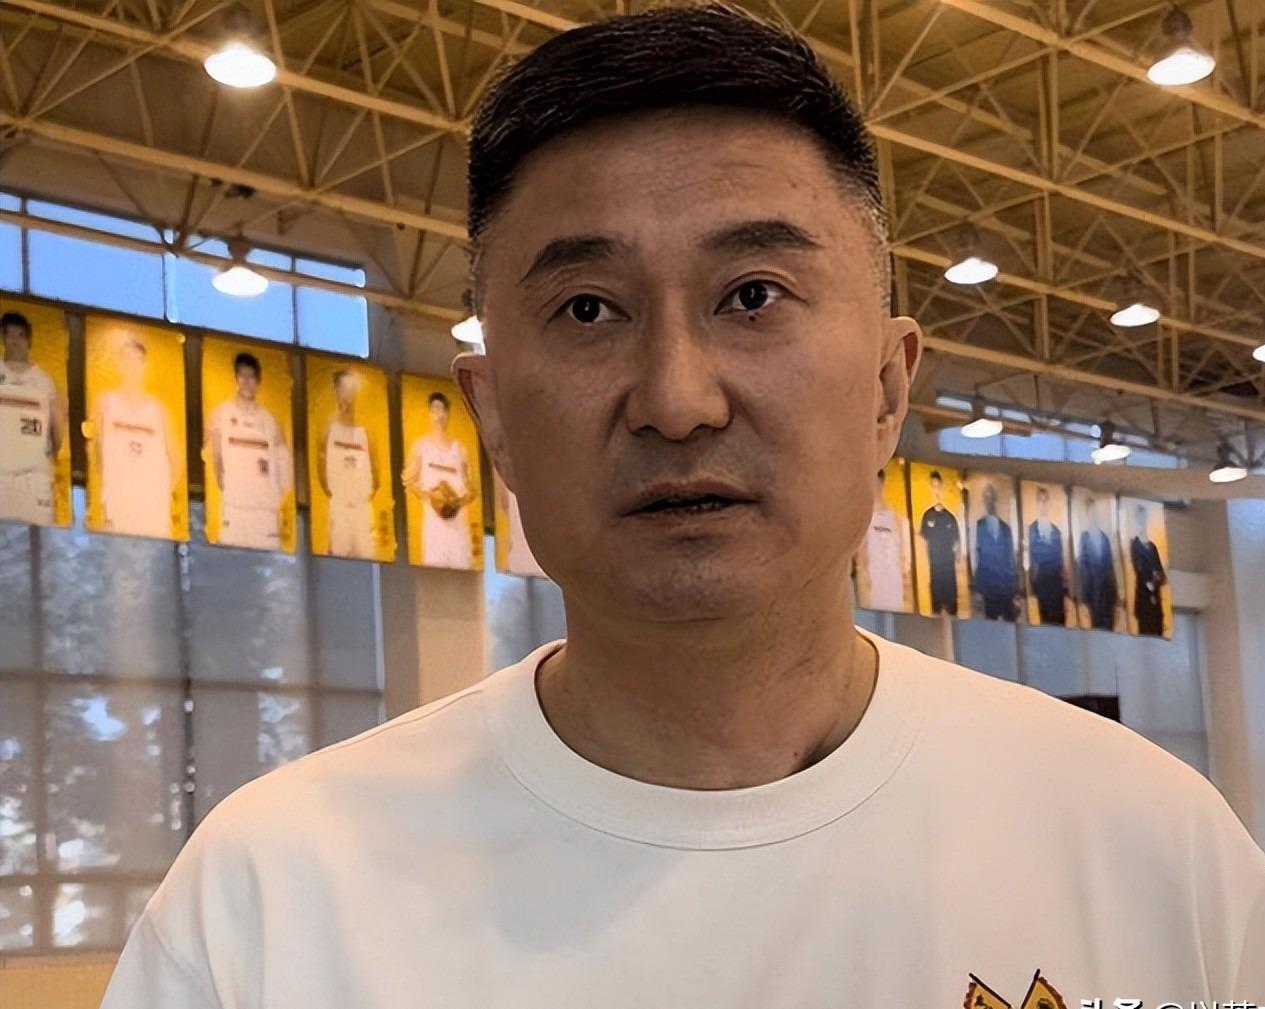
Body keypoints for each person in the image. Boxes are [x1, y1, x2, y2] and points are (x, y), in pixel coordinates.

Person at [100, 8, 1265, 1009]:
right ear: (493, 413)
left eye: (751, 295)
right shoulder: (272, 906)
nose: (674, 399)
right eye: (587, 310)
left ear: (885, 386)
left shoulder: (1148, 844)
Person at [92, 334, 181, 538]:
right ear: (119, 364)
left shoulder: (159, 410)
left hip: (153, 515)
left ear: (144, 365)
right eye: (127, 358)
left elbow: (177, 462)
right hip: (118, 510)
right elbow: (98, 455)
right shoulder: (105, 403)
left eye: (137, 359)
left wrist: (156, 496)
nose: (132, 364)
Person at [204, 352, 292, 550]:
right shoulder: (221, 414)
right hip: (235, 510)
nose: (246, 381)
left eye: (251, 376)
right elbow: (215, 459)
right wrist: (229, 486)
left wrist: (272, 496)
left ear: (258, 381)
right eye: (242, 376)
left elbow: (284, 464)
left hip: (265, 514)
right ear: (236, 378)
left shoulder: (270, 421)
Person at [0, 311, 64, 525]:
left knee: (37, 541)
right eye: (10, 335)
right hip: (1, 480)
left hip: (34, 482)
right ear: (3, 338)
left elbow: (57, 436)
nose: (15, 341)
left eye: (20, 335)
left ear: (29, 340)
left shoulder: (44, 382)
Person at [402, 391, 478, 568]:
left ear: (447, 413)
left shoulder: (460, 450)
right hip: (434, 527)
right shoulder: (421, 446)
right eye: (435, 410)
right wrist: (432, 497)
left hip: (458, 527)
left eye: (442, 410)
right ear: (429, 413)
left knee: (462, 569)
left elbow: (472, 489)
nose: (439, 415)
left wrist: (456, 502)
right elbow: (409, 481)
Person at [317, 369, 379, 559]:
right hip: (339, 509)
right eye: (342, 388)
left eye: (350, 387)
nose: (347, 393)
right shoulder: (328, 431)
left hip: (362, 511)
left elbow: (376, 476)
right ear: (336, 391)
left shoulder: (366, 433)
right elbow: (322, 475)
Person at [856, 466, 908, 611]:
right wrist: (863, 571)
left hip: (892, 577)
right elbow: (861, 550)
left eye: (877, 482)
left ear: (882, 482)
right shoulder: (864, 516)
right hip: (874, 576)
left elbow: (901, 549)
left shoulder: (895, 516)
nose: (875, 487)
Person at [971, 482, 1018, 621]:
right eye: (986, 497)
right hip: (989, 588)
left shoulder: (1005, 528)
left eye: (991, 497)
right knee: (991, 624)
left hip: (1005, 587)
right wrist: (978, 588)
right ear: (984, 501)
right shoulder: (979, 527)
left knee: (1010, 624)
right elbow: (977, 557)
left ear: (995, 500)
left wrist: (1014, 587)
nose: (989, 501)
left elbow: (1010, 558)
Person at [918, 470, 960, 615]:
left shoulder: (950, 517)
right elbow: (923, 541)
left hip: (949, 570)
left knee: (952, 609)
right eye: (933, 486)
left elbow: (956, 543)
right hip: (934, 570)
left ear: (941, 487)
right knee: (936, 611)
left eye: (938, 486)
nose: (935, 490)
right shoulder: (927, 516)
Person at [1076, 496, 1119, 631]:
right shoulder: (1084, 538)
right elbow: (1082, 568)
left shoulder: (1104, 538)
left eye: (1095, 513)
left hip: (1106, 591)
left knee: (1108, 626)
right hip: (1092, 590)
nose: (1093, 516)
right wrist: (1084, 598)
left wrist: (1115, 594)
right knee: (1095, 626)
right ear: (1087, 515)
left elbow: (1110, 566)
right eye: (1091, 513)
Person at [1026, 485, 1067, 625]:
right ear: (1037, 504)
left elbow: (1060, 560)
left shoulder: (1056, 531)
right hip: (1041, 585)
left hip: (1056, 587)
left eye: (1045, 501)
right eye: (1040, 501)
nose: (1043, 504)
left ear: (1049, 503)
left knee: (1059, 623)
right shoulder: (1031, 531)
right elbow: (1030, 560)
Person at [1129, 502, 1168, 637]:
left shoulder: (1152, 546)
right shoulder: (1135, 545)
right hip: (1144, 601)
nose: (1143, 523)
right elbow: (1140, 571)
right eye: (1140, 519)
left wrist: (1155, 579)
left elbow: (1162, 575)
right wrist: (1153, 578)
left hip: (1156, 603)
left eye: (1144, 519)